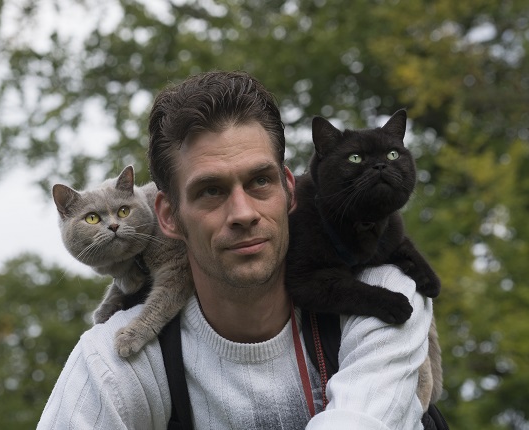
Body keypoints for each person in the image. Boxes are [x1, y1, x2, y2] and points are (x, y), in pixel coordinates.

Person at [38, 71, 432, 429]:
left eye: (260, 181)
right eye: (211, 191)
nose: (243, 214)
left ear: (290, 190)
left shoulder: (385, 294)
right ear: (169, 216)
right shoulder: (116, 358)